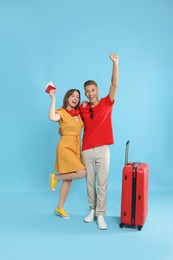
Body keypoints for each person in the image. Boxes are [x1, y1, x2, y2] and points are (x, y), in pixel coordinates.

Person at [79, 54, 119, 230]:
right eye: (87, 91)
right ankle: (92, 210)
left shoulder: (106, 103)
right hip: (87, 148)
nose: (90, 93)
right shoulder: (83, 108)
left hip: (103, 148)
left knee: (102, 181)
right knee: (90, 182)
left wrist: (115, 64)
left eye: (93, 90)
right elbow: (73, 122)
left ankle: (101, 214)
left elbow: (114, 84)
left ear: (98, 90)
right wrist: (62, 130)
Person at [48, 88, 86, 219]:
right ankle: (55, 178)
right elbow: (52, 117)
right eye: (72, 96)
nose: (75, 98)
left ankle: (59, 208)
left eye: (78, 96)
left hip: (76, 147)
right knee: (81, 172)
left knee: (69, 178)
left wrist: (86, 103)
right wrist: (53, 99)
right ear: (67, 98)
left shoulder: (79, 113)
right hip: (65, 147)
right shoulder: (62, 112)